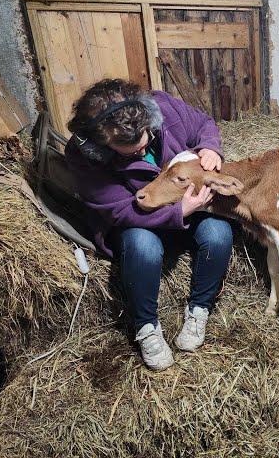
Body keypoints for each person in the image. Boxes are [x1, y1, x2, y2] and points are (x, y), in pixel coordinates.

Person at [64, 79, 233, 371]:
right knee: (143, 247)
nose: (142, 154)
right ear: (103, 145)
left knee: (219, 233)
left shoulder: (164, 108)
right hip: (138, 219)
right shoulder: (85, 157)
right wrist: (177, 212)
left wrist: (210, 146)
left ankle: (199, 308)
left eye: (145, 142)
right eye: (129, 153)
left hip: (186, 207)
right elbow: (118, 210)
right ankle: (147, 327)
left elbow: (203, 124)